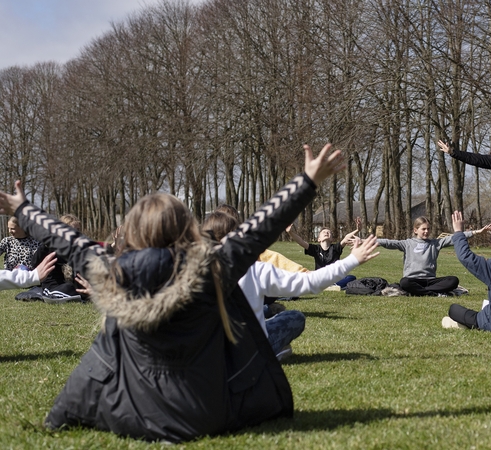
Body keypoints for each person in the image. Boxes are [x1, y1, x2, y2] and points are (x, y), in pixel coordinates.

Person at [0, 143, 345, 442]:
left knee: (106, 342)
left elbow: (66, 239)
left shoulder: (111, 269)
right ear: (187, 229)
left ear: (132, 230)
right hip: (208, 414)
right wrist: (308, 180)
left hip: (129, 415)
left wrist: (22, 210)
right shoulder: (212, 266)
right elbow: (259, 226)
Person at [202, 211, 380, 361]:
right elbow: (311, 282)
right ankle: (270, 349)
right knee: (295, 317)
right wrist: (353, 259)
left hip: (208, 352)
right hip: (247, 350)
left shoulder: (188, 271)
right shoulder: (254, 270)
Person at [377, 216, 491, 296]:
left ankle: (421, 292)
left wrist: (476, 232)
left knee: (453, 280)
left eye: (428, 229)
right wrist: (364, 240)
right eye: (423, 229)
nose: (427, 231)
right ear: (415, 230)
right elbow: (388, 242)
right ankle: (433, 293)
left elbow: (454, 238)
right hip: (412, 280)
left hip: (431, 281)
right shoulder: (407, 243)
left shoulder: (435, 243)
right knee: (404, 283)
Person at [285, 218, 361, 288]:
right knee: (304, 275)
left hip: (334, 278)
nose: (326, 233)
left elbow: (346, 238)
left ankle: (330, 285)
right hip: (320, 277)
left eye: (329, 232)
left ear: (332, 239)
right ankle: (330, 286)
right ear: (319, 239)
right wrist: (290, 232)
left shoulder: (336, 248)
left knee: (351, 277)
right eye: (324, 232)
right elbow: (301, 241)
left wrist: (357, 229)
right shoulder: (315, 249)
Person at [26, 214, 85, 303]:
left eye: (78, 230)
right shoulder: (50, 246)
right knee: (69, 288)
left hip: (71, 285)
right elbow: (34, 263)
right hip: (53, 287)